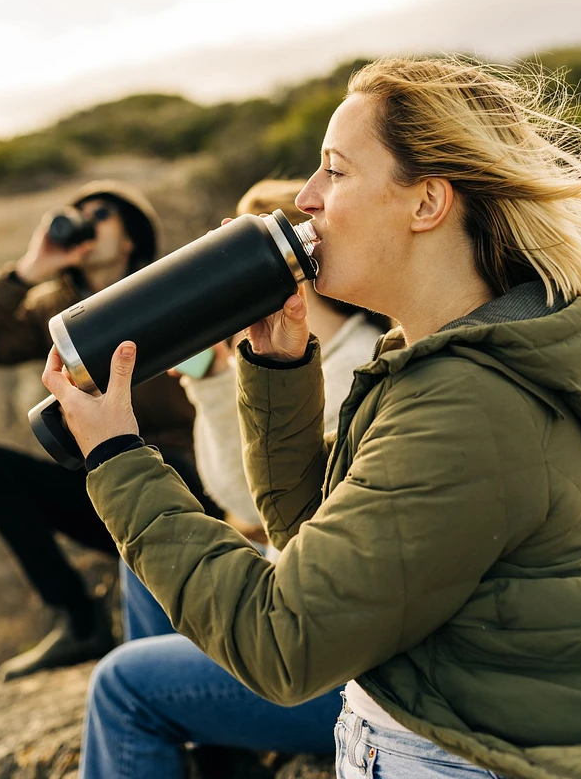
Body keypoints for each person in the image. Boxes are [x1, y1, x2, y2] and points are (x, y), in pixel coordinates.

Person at [43, 58, 581, 779]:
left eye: (334, 171)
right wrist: (278, 375)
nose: (306, 198)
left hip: (450, 755)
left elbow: (284, 644)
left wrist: (116, 455)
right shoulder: (443, 358)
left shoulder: (467, 401)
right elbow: (316, 539)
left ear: (426, 202)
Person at [112, 179, 385, 779]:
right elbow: (233, 494)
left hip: (336, 658)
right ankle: (215, 751)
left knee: (120, 685)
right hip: (318, 601)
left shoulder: (358, 366)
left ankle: (196, 733)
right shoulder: (298, 350)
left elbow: (256, 507)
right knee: (142, 566)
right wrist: (211, 374)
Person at [0, 179, 213, 681]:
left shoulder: (167, 289)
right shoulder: (57, 311)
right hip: (101, 482)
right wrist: (30, 269)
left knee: (166, 463)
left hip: (185, 482)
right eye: (77, 212)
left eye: (101, 213)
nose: (86, 221)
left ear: (130, 239)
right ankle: (80, 619)